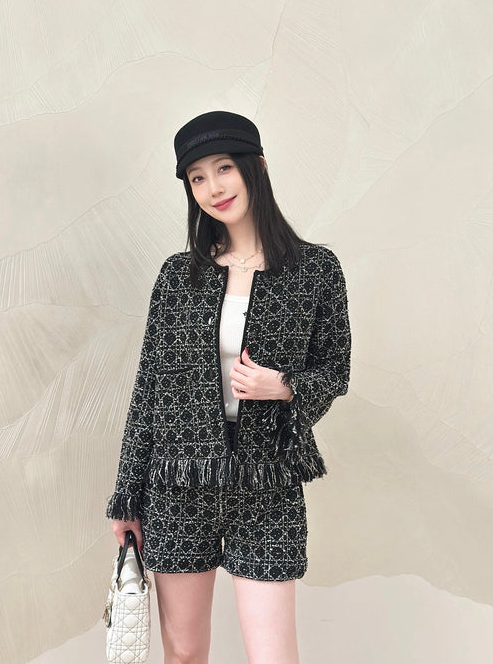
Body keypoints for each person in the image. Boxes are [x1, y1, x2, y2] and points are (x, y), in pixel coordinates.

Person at [106, 111, 351, 664]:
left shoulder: (316, 270)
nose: (212, 188)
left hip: (267, 483)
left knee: (273, 656)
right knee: (184, 653)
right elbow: (148, 393)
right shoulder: (178, 277)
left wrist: (283, 385)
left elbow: (335, 369)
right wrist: (127, 496)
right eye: (197, 177)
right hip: (178, 483)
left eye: (223, 168)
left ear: (256, 167)